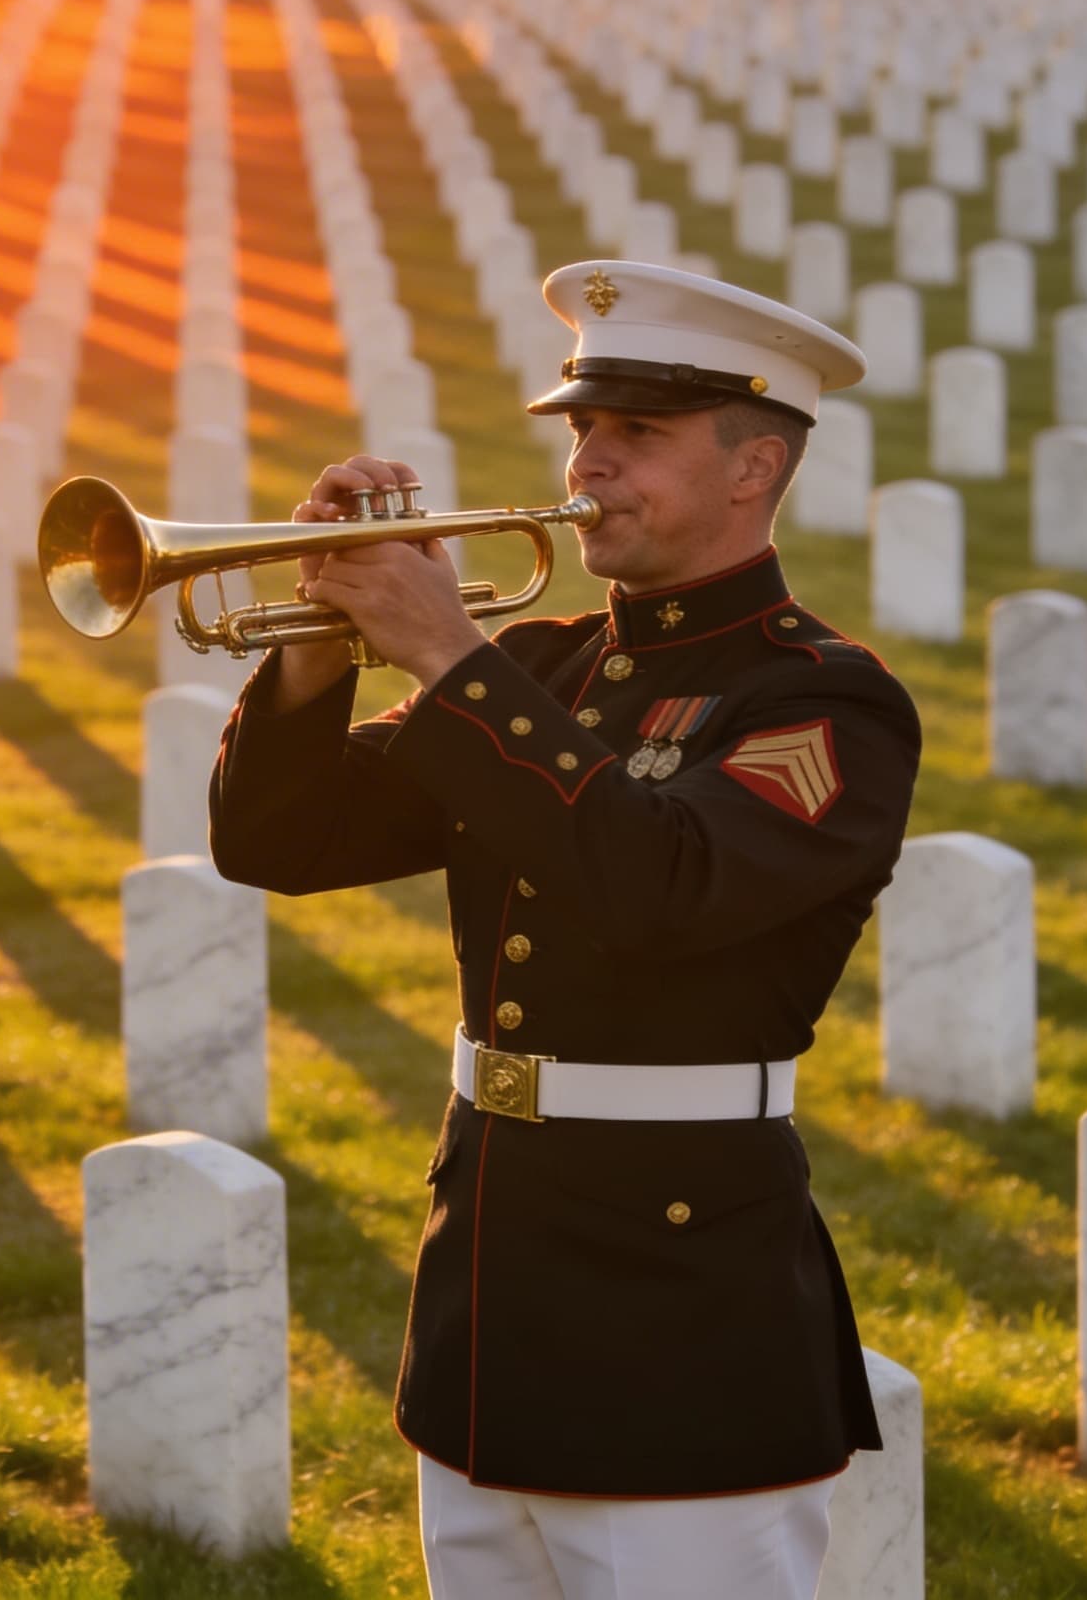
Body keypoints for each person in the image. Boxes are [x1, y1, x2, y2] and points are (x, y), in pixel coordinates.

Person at [206, 260, 922, 1600]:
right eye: (584, 430)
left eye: (638, 436)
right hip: (490, 1286)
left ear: (754, 465)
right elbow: (280, 845)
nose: (589, 462)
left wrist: (443, 656)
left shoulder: (823, 704)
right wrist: (316, 643)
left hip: (682, 1315)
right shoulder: (543, 669)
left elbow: (661, 888)